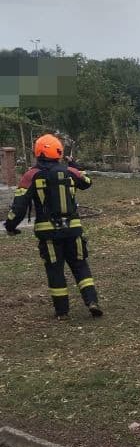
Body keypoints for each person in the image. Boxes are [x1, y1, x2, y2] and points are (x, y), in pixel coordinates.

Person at [3, 134, 102, 319]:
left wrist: (10, 225)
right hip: (73, 230)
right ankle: (92, 301)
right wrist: (74, 166)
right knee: (80, 266)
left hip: (48, 234)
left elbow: (19, 206)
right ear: (59, 152)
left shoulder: (31, 175)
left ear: (38, 152)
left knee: (55, 270)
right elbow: (87, 182)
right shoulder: (69, 172)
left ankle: (62, 312)